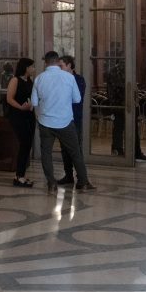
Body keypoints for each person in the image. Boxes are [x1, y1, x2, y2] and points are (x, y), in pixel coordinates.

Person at [31, 51, 95, 194]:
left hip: (45, 122)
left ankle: (51, 183)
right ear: (57, 61)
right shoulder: (68, 78)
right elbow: (77, 99)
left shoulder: (39, 79)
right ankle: (83, 182)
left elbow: (34, 102)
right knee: (75, 152)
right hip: (65, 122)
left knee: (46, 154)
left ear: (45, 62)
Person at [4, 57, 36, 188]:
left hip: (29, 115)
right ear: (26, 67)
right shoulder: (15, 80)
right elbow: (9, 98)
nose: (34, 69)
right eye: (32, 67)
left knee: (27, 145)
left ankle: (21, 174)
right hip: (18, 115)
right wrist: (21, 107)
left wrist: (31, 106)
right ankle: (18, 176)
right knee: (24, 144)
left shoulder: (29, 80)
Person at [58, 56, 86, 185]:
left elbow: (76, 99)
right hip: (63, 118)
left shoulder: (79, 79)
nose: (59, 68)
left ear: (69, 65)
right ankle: (68, 175)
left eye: (61, 66)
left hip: (74, 118)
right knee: (64, 148)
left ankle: (81, 177)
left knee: (76, 149)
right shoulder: (60, 79)